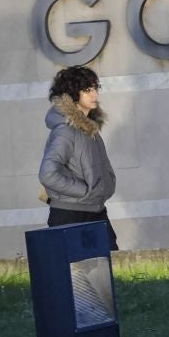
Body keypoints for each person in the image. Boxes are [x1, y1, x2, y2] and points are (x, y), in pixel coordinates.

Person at [39, 66, 118, 248]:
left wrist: (105, 187)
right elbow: (47, 174)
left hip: (96, 212)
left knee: (112, 270)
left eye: (95, 89)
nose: (95, 95)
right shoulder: (65, 131)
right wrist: (85, 191)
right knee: (76, 275)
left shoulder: (89, 130)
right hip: (71, 217)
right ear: (72, 94)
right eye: (87, 90)